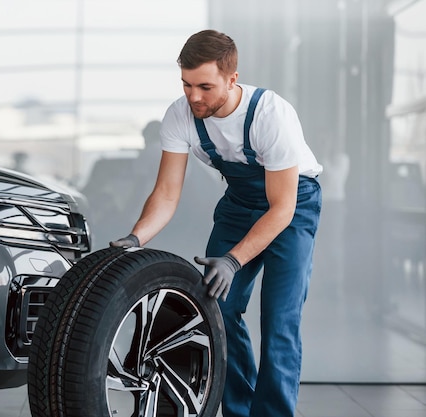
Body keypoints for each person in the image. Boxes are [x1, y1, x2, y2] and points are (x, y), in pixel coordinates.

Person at [110, 29, 322, 417]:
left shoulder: (271, 115)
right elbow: (167, 193)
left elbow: (281, 208)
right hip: (240, 204)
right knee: (217, 309)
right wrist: (136, 236)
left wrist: (233, 260)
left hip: (292, 207)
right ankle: (238, 410)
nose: (193, 96)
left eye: (204, 86)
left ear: (232, 79)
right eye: (186, 84)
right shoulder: (181, 115)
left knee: (279, 320)